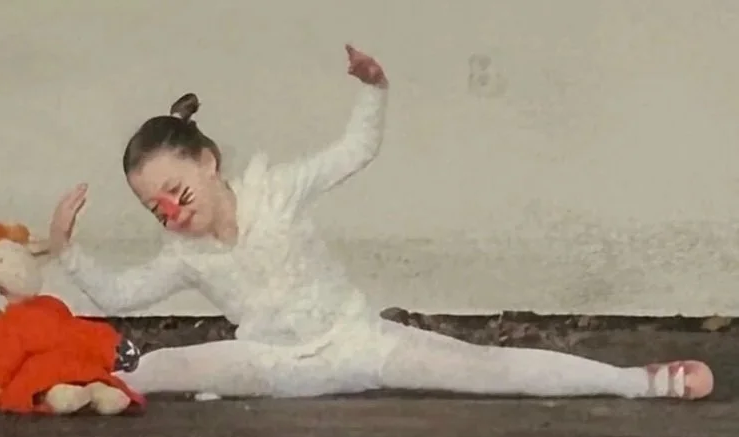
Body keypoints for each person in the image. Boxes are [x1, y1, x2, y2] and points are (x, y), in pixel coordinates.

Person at [47, 44, 714, 401]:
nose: (167, 209)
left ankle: (639, 382)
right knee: (163, 366)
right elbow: (119, 296)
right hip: (274, 364)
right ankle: (57, 382)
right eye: (150, 205)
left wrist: (373, 92)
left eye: (174, 188)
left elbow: (355, 152)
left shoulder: (276, 191)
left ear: (209, 161)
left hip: (358, 343)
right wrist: (68, 251)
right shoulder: (183, 254)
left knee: (490, 368)